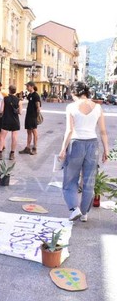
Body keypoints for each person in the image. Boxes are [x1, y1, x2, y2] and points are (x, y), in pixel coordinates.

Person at [58, 82, 109, 222]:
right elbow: (103, 131)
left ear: (75, 93)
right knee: (89, 181)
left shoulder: (71, 107)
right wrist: (106, 150)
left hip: (76, 144)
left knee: (70, 179)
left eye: (71, 94)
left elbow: (69, 130)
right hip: (93, 145)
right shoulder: (98, 107)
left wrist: (63, 149)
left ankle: (74, 209)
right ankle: (85, 213)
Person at [0, 85, 22, 160]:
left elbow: (1, 110)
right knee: (14, 137)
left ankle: (0, 153)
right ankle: (12, 154)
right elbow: (20, 112)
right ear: (15, 90)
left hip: (6, 120)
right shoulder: (19, 101)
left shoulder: (5, 99)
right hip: (15, 121)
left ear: (9, 90)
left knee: (2, 137)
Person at [19, 81, 41, 155]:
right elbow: (24, 99)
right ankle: (28, 148)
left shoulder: (36, 95)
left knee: (34, 132)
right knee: (28, 132)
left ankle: (35, 148)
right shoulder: (30, 95)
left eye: (27, 86)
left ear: (32, 86)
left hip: (33, 116)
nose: (27, 88)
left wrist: (37, 116)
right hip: (28, 115)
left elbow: (38, 107)